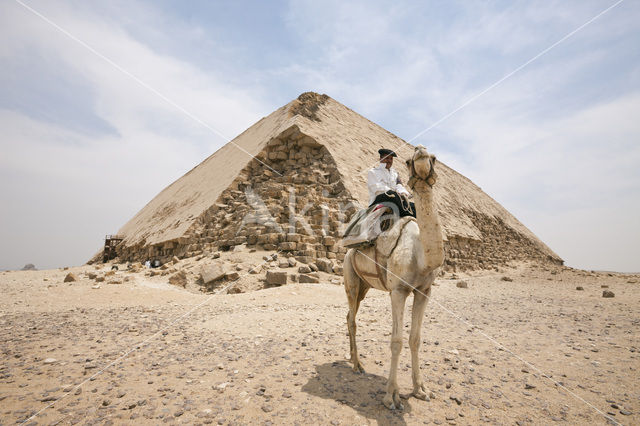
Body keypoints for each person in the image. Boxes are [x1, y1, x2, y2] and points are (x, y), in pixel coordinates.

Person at [367, 148, 416, 218]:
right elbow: (376, 187)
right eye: (387, 158)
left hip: (395, 198)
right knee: (392, 195)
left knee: (413, 206)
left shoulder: (395, 173)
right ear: (381, 158)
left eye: (391, 159)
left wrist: (403, 192)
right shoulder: (373, 172)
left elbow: (399, 185)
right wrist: (394, 193)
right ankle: (406, 214)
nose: (389, 161)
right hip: (379, 199)